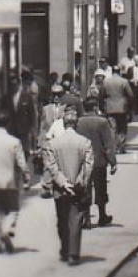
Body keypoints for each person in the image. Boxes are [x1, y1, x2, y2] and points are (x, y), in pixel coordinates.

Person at [42, 105, 93, 266]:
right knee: (76, 220)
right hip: (77, 189)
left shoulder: (54, 144)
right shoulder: (84, 142)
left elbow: (51, 166)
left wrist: (63, 183)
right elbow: (88, 165)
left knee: (62, 220)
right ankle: (73, 254)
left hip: (60, 189)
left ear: (64, 124)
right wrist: (79, 181)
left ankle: (64, 249)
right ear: (76, 124)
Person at [0, 113, 29, 254]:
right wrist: (26, 178)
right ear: (8, 124)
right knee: (12, 210)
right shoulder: (14, 142)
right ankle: (6, 231)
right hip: (9, 182)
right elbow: (21, 163)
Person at [73, 99, 117, 228]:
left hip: (82, 161)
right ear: (96, 107)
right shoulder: (102, 122)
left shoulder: (78, 122)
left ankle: (86, 219)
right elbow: (108, 144)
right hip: (99, 161)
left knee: (84, 189)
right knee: (100, 189)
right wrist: (113, 161)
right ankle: (102, 216)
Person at [99, 65, 133, 150]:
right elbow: (131, 95)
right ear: (119, 72)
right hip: (122, 108)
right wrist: (130, 108)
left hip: (110, 107)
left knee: (112, 128)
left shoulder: (106, 82)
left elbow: (101, 95)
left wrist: (101, 107)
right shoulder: (124, 81)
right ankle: (121, 145)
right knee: (122, 128)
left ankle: (113, 146)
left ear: (112, 72)